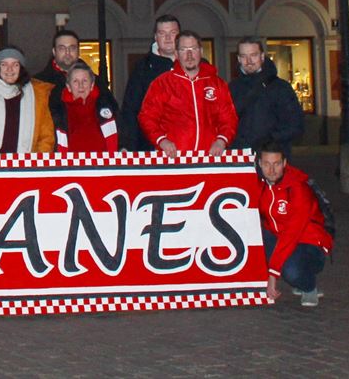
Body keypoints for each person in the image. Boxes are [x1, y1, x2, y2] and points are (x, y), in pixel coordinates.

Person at [252, 140, 333, 307]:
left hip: (308, 241)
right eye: (266, 164)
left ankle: (309, 287)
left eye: (276, 164)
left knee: (291, 271)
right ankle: (298, 277)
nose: (271, 170)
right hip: (278, 235)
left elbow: (292, 232)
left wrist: (272, 275)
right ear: (259, 163)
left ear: (284, 163)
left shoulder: (298, 187)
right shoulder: (260, 183)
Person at [138, 30, 236, 155]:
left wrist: (222, 140)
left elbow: (229, 118)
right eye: (184, 49)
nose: (189, 55)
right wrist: (162, 140)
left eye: (193, 49)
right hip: (173, 157)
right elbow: (147, 117)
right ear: (176, 53)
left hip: (209, 157)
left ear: (201, 52)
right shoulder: (162, 84)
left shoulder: (217, 84)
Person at [119, 14, 181, 150]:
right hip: (151, 146)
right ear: (155, 37)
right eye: (162, 33)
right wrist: (128, 145)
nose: (168, 38)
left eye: (172, 33)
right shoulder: (143, 68)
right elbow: (131, 109)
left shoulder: (194, 64)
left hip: (190, 145)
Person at [232, 37, 305, 152]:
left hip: (272, 156)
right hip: (240, 156)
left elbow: (296, 125)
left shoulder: (281, 88)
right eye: (244, 56)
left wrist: (269, 141)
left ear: (262, 56)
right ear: (238, 59)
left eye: (253, 55)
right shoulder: (232, 88)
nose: (249, 60)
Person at [49, 60, 123, 152]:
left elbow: (121, 136)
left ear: (92, 85)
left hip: (104, 161)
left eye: (85, 81)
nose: (81, 86)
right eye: (75, 81)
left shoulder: (106, 106)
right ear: (68, 86)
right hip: (70, 161)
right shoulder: (59, 111)